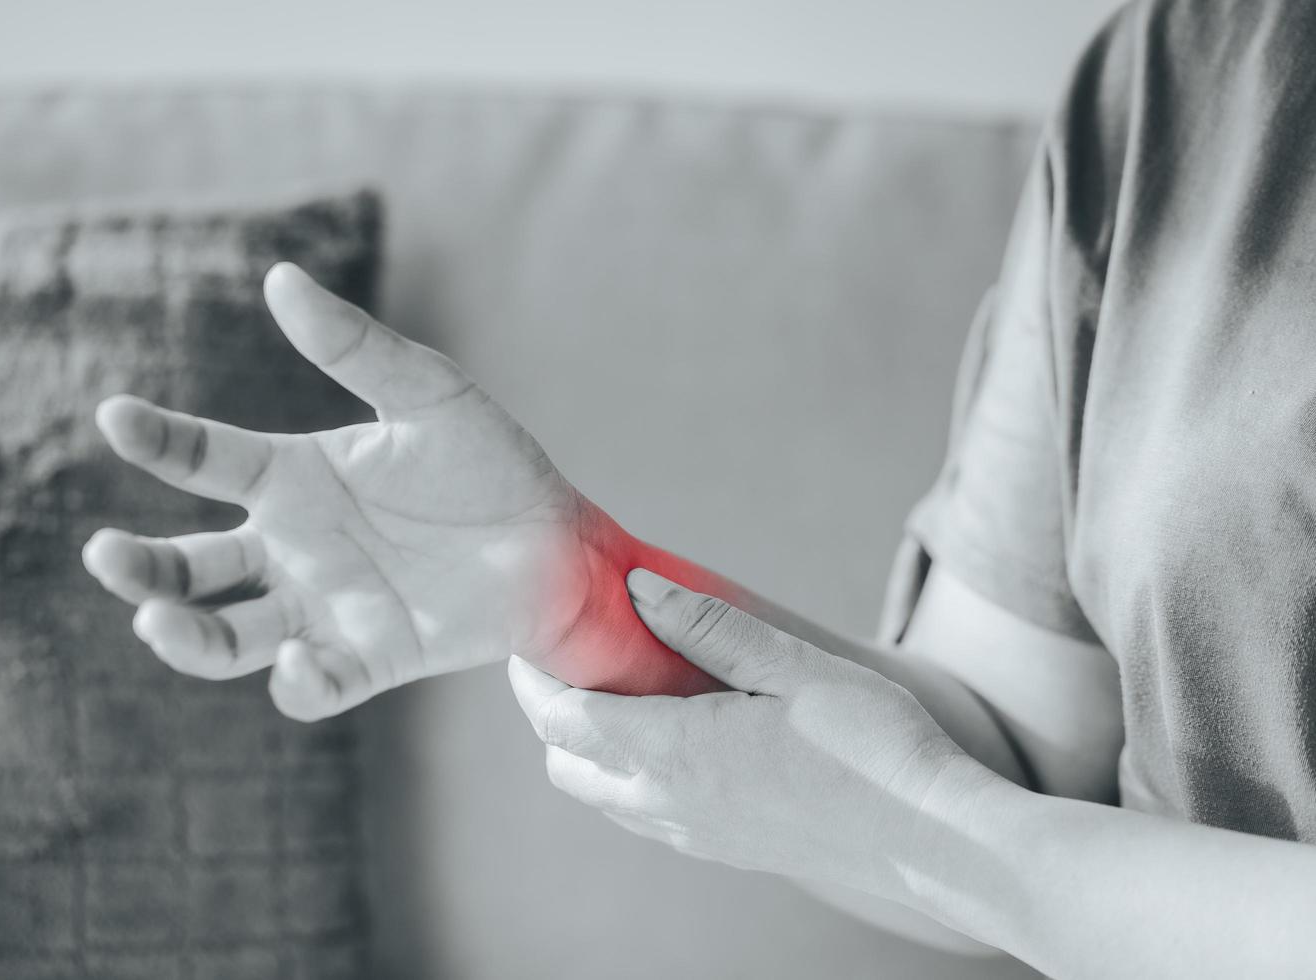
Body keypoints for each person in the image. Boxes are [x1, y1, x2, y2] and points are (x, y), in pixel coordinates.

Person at [81, 1, 1316, 974]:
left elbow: (979, 825)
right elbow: (1013, 757)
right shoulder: (1172, 85)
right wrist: (596, 597)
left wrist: (965, 845)